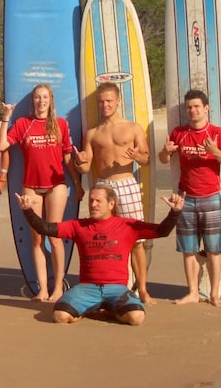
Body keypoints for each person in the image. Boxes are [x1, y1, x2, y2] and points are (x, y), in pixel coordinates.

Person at [16, 183, 183, 325]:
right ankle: (89, 308)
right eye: (91, 200)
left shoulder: (128, 226)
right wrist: (28, 211)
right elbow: (45, 228)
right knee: (60, 316)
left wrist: (174, 213)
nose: (93, 204)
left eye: (98, 201)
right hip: (88, 288)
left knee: (137, 318)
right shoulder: (78, 226)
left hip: (117, 288)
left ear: (111, 204)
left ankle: (111, 310)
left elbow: (162, 231)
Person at [71, 82, 154, 304]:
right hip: (103, 186)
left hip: (126, 183)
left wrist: (137, 156)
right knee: (106, 240)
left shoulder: (133, 127)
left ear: (118, 101)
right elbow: (87, 166)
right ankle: (113, 286)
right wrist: (80, 164)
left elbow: (147, 159)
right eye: (101, 101)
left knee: (136, 239)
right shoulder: (92, 133)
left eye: (109, 100)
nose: (105, 105)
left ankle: (143, 290)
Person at [0, 84, 80, 302]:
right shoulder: (23, 124)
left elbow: (68, 158)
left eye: (44, 97)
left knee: (54, 237)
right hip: (31, 187)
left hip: (57, 186)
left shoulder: (60, 124)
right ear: (33, 101)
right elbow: (2, 144)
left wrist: (79, 185)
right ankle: (42, 288)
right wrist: (7, 116)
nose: (41, 101)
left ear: (51, 100)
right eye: (37, 97)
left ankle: (58, 288)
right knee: (36, 239)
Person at [158, 88, 221, 308]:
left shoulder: (218, 133)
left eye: (197, 107)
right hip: (186, 198)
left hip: (211, 197)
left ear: (206, 108)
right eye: (189, 107)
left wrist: (215, 151)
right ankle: (192, 292)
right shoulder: (179, 133)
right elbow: (163, 159)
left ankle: (214, 294)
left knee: (213, 249)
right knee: (188, 249)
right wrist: (165, 151)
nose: (193, 111)